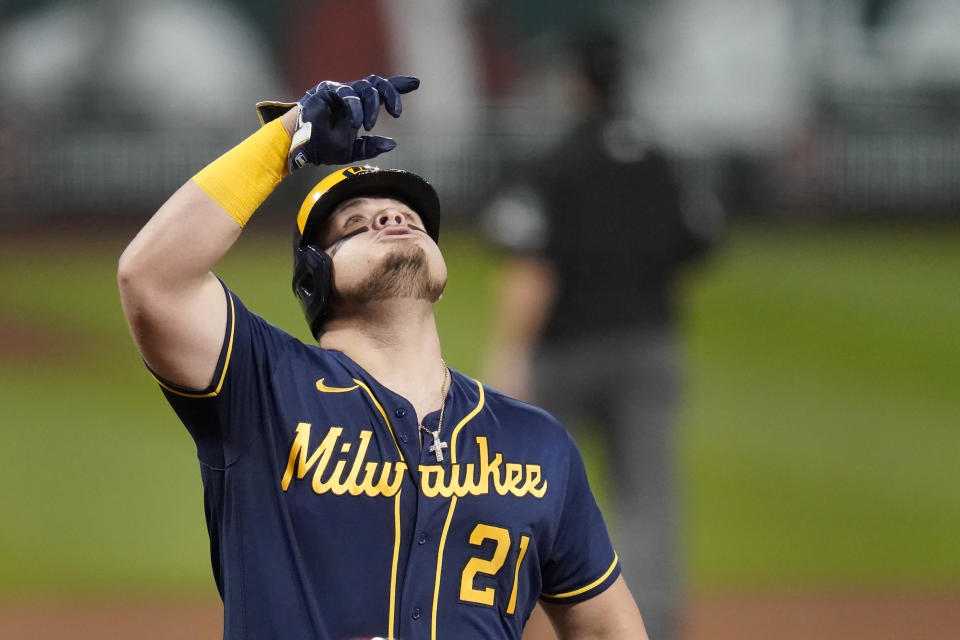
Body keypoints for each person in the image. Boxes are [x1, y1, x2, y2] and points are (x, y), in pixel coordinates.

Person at [117, 73, 648, 640]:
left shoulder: (536, 442)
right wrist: (286, 139)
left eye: (407, 218)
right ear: (315, 278)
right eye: (356, 224)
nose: (391, 218)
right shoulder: (264, 387)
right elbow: (151, 278)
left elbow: (606, 625)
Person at [482, 28, 721, 640]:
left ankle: (498, 615)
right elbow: (691, 251)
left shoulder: (557, 161)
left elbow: (533, 265)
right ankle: (650, 626)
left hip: (566, 351)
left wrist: (509, 352)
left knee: (522, 483)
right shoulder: (663, 162)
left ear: (576, 84)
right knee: (648, 498)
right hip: (648, 347)